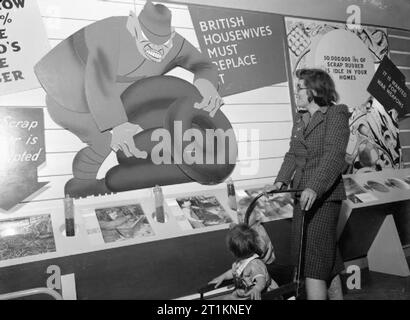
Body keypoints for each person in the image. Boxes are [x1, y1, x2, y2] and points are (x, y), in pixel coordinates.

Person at [34, 1, 222, 198]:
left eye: (163, 45)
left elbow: (204, 65)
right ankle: (82, 183)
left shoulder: (175, 44)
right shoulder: (109, 32)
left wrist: (207, 85)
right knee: (104, 140)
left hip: (121, 99)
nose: (156, 50)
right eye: (148, 41)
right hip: (68, 96)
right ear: (133, 24)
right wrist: (117, 125)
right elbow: (98, 81)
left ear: (172, 36)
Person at [266, 68, 350, 300]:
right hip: (302, 196)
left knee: (313, 261)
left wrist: (315, 186)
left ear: (314, 90)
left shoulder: (336, 114)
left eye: (300, 88)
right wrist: (281, 180)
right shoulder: (301, 119)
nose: (297, 93)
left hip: (323, 197)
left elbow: (334, 156)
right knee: (324, 256)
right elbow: (293, 154)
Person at [209, 224, 278, 300]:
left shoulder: (255, 264)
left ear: (233, 252)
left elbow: (261, 280)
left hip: (264, 294)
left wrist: (257, 289)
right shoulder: (240, 262)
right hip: (247, 291)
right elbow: (233, 272)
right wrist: (223, 277)